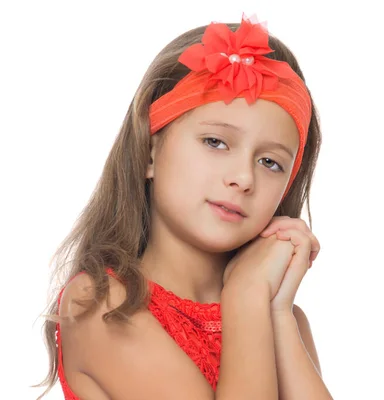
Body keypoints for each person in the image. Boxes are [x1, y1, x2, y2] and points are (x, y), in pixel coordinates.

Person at [34, 14, 332, 399]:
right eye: (215, 142)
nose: (243, 178)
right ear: (149, 151)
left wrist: (273, 311)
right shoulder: (102, 304)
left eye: (270, 162)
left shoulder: (282, 315)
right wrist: (244, 297)